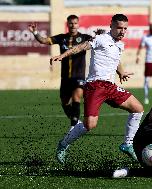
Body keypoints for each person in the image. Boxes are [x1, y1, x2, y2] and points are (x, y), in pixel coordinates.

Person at [50, 14, 144, 164]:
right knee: (90, 125)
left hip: (110, 86)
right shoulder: (101, 39)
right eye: (119, 27)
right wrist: (63, 55)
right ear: (111, 26)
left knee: (138, 108)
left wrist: (121, 72)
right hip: (95, 86)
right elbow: (81, 47)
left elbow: (115, 59)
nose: (122, 31)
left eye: (125, 28)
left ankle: (128, 144)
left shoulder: (119, 44)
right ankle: (63, 144)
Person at [28, 15, 93, 127]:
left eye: (75, 23)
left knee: (77, 97)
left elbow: (97, 41)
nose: (73, 25)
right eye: (71, 23)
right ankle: (76, 121)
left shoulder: (84, 38)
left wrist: (100, 34)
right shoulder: (61, 38)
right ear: (67, 24)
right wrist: (35, 32)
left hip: (79, 76)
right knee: (65, 103)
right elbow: (44, 40)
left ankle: (73, 126)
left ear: (78, 24)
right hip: (65, 77)